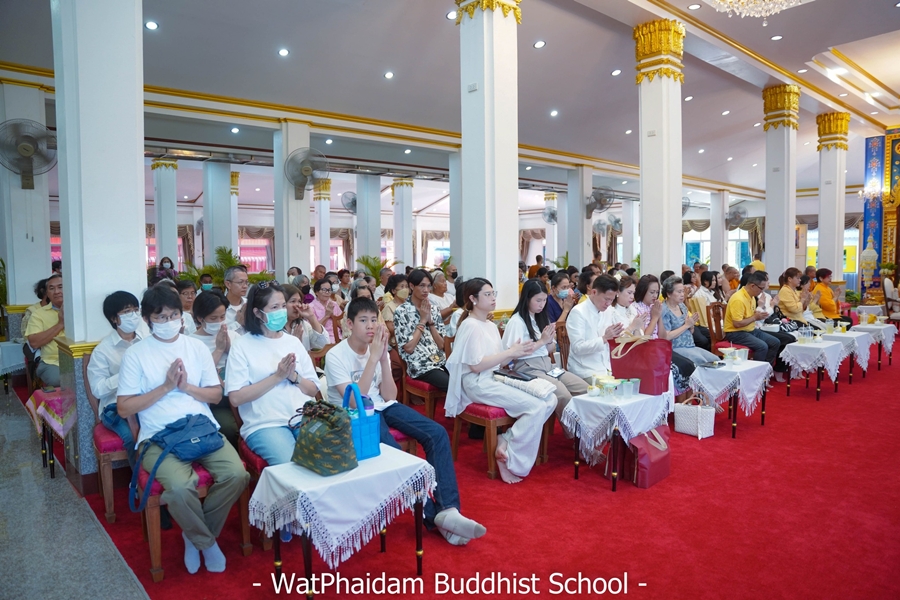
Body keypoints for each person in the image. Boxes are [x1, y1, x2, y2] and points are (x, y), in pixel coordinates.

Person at [325, 298, 486, 544]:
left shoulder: (377, 350)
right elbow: (357, 401)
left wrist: (383, 360)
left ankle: (449, 509)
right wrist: (373, 359)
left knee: (437, 433)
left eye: (374, 320)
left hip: (383, 406)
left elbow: (390, 396)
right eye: (363, 320)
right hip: (357, 416)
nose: (370, 326)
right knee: (393, 452)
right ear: (349, 324)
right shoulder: (336, 355)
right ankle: (434, 516)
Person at [117, 285, 249, 575]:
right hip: (158, 436)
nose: (169, 322)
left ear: (182, 315)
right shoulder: (136, 354)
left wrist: (186, 387)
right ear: (148, 319)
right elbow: (124, 408)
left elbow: (215, 394)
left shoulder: (196, 348)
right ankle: (207, 543)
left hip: (201, 428)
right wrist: (166, 387)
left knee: (237, 475)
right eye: (161, 317)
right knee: (178, 488)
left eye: (174, 315)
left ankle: (194, 535)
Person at [445, 279, 555, 484]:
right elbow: (476, 366)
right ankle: (510, 461)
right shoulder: (470, 325)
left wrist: (515, 353)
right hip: (477, 383)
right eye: (487, 294)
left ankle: (506, 439)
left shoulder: (489, 325)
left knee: (550, 399)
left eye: (493, 293)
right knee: (536, 406)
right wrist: (510, 352)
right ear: (473, 299)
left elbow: (500, 362)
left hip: (495, 376)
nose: (493, 298)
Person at [225, 281, 319, 488]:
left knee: (327, 459)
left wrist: (293, 377)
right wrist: (277, 377)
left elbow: (313, 388)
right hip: (265, 424)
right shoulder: (242, 345)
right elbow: (236, 398)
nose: (282, 312)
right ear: (258, 313)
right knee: (291, 470)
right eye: (274, 307)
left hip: (302, 416)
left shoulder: (292, 342)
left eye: (283, 306)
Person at [502, 280, 587, 418]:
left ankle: (588, 425)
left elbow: (550, 348)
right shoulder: (517, 321)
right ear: (527, 299)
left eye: (544, 300)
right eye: (538, 300)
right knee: (563, 395)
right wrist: (542, 341)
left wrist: (548, 341)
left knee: (583, 388)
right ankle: (575, 429)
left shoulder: (541, 318)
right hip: (527, 368)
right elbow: (513, 354)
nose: (542, 304)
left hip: (548, 365)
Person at [87, 291, 145, 468]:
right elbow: (97, 389)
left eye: (135, 310)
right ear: (114, 318)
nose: (133, 315)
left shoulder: (146, 341)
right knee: (131, 437)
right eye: (127, 312)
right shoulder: (103, 350)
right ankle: (138, 478)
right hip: (114, 408)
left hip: (145, 401)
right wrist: (124, 375)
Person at [190, 289, 241, 447]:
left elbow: (245, 365)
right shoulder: (191, 342)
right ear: (200, 318)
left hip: (239, 391)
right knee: (229, 428)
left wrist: (229, 349)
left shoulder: (234, 336)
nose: (219, 322)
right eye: (213, 318)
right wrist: (219, 350)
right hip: (215, 400)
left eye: (222, 317)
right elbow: (196, 375)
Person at [394, 270, 448, 391]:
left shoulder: (433, 309)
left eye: (428, 286)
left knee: (464, 380)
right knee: (451, 384)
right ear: (412, 286)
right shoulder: (401, 311)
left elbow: (442, 345)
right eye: (422, 285)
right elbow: (409, 348)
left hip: (440, 359)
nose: (426, 290)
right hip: (421, 364)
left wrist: (431, 323)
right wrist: (423, 321)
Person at [565, 274, 625, 382]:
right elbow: (577, 348)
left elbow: (622, 329)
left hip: (606, 366)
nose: (608, 303)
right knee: (613, 387)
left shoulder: (608, 310)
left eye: (611, 300)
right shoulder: (578, 312)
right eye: (606, 299)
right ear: (594, 292)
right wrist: (604, 338)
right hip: (585, 370)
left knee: (632, 381)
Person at [660, 276, 719, 366]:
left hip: (690, 346)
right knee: (704, 363)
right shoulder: (664, 310)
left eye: (683, 291)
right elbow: (666, 336)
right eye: (679, 292)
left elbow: (690, 332)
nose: (682, 294)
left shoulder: (682, 306)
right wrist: (686, 325)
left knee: (716, 360)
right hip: (675, 348)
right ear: (669, 294)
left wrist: (691, 326)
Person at [723, 271, 780, 363]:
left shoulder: (752, 297)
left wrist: (760, 314)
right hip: (735, 333)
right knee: (762, 346)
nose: (762, 291)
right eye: (761, 288)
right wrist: (755, 317)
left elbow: (753, 315)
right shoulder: (738, 299)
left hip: (750, 330)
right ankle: (757, 371)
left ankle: (766, 368)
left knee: (775, 342)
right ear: (752, 286)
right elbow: (737, 324)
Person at [25, 273, 65, 387]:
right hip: (52, 362)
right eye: (51, 288)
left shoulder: (81, 310)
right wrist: (60, 324)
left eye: (61, 287)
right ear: (47, 293)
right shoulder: (38, 314)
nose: (56, 291)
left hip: (80, 360)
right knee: (61, 381)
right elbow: (34, 343)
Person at [381, 274, 409, 394]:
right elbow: (391, 329)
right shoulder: (389, 307)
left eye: (407, 286)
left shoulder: (410, 305)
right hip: (396, 344)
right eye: (402, 286)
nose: (405, 289)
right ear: (393, 290)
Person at [281, 283, 328, 352]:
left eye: (299, 301)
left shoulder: (302, 325)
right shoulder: (273, 327)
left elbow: (323, 344)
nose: (298, 305)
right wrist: (294, 341)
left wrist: (311, 317)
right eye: (293, 301)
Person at [310, 278, 342, 343]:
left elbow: (343, 325)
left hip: (339, 337)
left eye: (329, 290)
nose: (327, 292)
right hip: (321, 340)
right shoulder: (311, 307)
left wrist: (333, 316)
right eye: (324, 290)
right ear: (316, 292)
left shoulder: (334, 304)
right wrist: (327, 316)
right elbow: (313, 331)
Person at [223, 265, 249, 333]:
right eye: (240, 282)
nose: (245, 286)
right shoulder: (219, 306)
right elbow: (217, 334)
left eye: (246, 282)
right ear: (228, 284)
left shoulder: (249, 304)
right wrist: (238, 323)